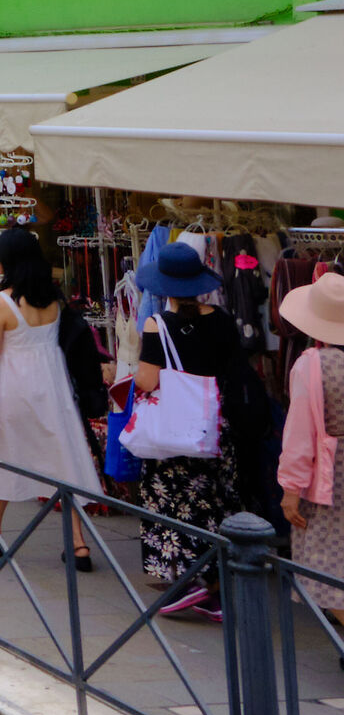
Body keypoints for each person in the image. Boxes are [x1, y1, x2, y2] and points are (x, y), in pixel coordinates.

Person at [133, 241, 265, 617]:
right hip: (217, 425)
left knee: (175, 503)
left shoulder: (158, 325)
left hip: (177, 431)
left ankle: (191, 582)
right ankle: (215, 585)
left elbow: (147, 380)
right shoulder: (221, 319)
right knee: (216, 501)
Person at [0, 225, 102, 569]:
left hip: (15, 388)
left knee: (3, 454)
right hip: (53, 387)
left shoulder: (2, 303)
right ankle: (78, 542)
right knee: (62, 457)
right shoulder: (53, 299)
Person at [278, 273, 344, 633]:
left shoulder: (313, 365)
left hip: (330, 477)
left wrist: (291, 488)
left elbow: (300, 433)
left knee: (326, 565)